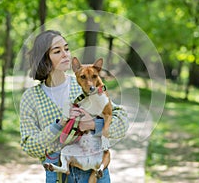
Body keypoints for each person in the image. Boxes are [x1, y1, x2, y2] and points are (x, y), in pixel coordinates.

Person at [20, 30, 129, 183]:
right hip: (58, 175)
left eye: (66, 48)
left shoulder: (86, 84)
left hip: (95, 173)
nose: (65, 54)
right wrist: (59, 125)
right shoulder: (31, 98)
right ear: (43, 59)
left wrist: (93, 125)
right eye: (57, 51)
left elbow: (122, 121)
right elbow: (29, 146)